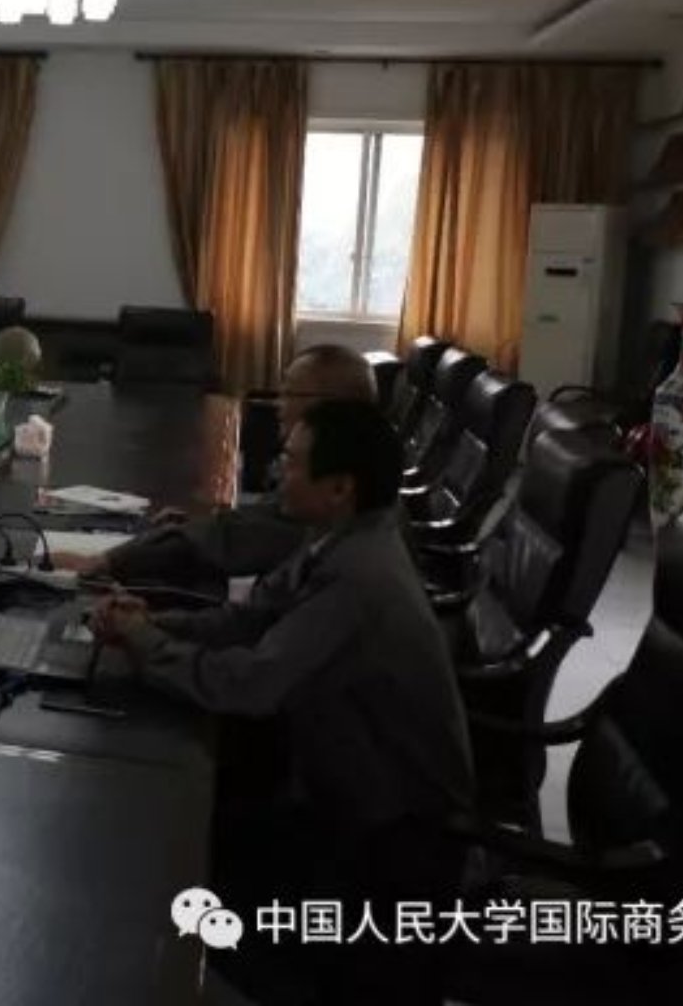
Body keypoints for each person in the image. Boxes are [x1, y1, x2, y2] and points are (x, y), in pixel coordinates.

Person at [91, 400, 471, 1005]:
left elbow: (250, 684)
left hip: (387, 840)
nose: (275, 472)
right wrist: (154, 623)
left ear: (340, 487)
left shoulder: (359, 576)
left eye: (292, 463)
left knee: (175, 870)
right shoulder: (340, 539)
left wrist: (147, 645)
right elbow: (251, 620)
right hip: (342, 790)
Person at [54, 344, 378, 585]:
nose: (279, 405)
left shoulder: (325, 488)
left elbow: (231, 540)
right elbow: (254, 522)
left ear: (329, 406)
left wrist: (105, 561)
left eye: (290, 394)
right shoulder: (352, 469)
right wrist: (198, 522)